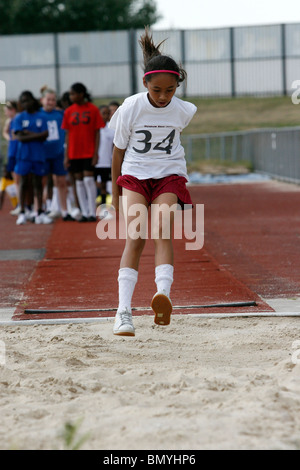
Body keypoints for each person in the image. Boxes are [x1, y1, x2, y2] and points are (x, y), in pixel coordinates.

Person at [109, 28, 197, 336]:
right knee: (135, 238)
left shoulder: (185, 110)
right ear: (145, 83)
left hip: (169, 177)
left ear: (177, 87)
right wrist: (114, 195)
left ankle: (163, 298)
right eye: (157, 90)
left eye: (170, 90)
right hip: (134, 175)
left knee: (162, 231)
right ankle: (123, 312)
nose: (163, 97)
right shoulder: (131, 107)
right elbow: (117, 152)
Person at [62, 82, 105, 222]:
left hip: (88, 151)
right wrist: (66, 155)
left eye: (73, 93)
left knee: (88, 180)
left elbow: (97, 132)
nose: (71, 96)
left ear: (81, 94)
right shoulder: (68, 111)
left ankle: (92, 211)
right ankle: (84, 211)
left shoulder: (93, 109)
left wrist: (95, 153)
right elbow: (67, 134)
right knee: (79, 182)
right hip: (74, 152)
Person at [13, 91, 51, 225]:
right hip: (24, 155)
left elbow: (46, 134)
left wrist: (28, 133)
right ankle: (22, 211)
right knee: (23, 182)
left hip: (38, 155)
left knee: (38, 183)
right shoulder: (19, 117)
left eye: (27, 100)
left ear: (32, 100)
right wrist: (37, 135)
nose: (25, 103)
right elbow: (19, 137)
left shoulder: (42, 116)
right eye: (22, 101)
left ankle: (39, 211)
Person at [40, 85, 74, 221]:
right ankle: (43, 209)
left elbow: (67, 132)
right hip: (42, 154)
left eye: (53, 100)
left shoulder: (61, 115)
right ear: (42, 100)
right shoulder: (38, 115)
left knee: (61, 182)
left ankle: (64, 210)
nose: (51, 102)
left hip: (58, 153)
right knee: (43, 182)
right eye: (48, 99)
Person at [95, 104, 116, 211]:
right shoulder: (94, 128)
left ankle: (104, 207)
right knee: (95, 184)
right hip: (95, 162)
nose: (106, 116)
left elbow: (114, 146)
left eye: (108, 113)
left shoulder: (111, 129)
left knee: (104, 185)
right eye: (104, 113)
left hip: (106, 162)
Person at [2, 101, 20, 214]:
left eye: (7, 111)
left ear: (12, 110)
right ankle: (20, 203)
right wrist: (9, 138)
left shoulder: (19, 120)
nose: (5, 113)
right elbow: (5, 132)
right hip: (12, 153)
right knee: (16, 180)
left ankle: (23, 204)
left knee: (19, 180)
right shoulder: (10, 121)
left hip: (20, 153)